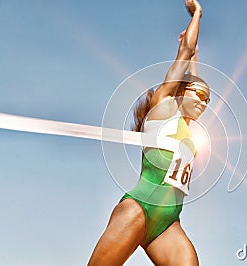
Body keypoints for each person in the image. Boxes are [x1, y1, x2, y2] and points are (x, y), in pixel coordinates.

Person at [88, 1, 209, 265]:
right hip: (138, 210)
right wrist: (198, 15)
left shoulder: (187, 126)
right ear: (180, 92)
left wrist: (196, 57)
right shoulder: (164, 108)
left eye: (207, 100)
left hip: (168, 225)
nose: (203, 102)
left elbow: (193, 75)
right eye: (199, 95)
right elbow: (184, 53)